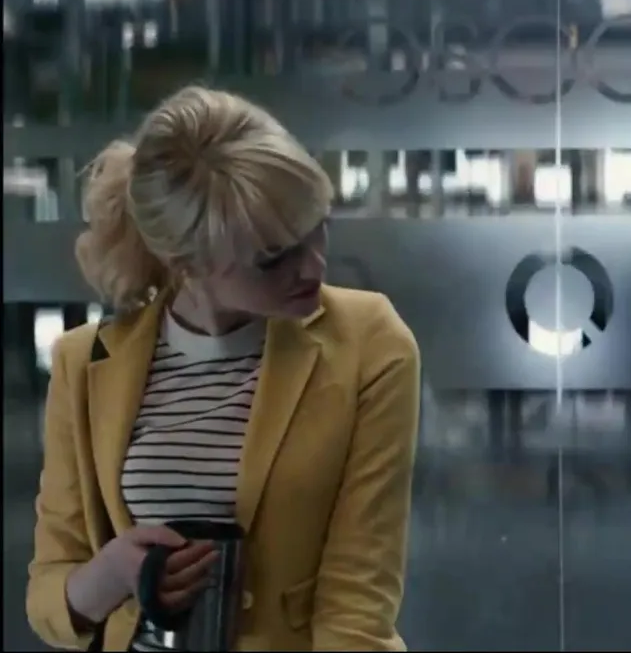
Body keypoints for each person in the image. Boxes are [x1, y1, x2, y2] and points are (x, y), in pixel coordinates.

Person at [26, 86, 422, 651]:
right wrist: (114, 572)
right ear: (187, 263)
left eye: (317, 227)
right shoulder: (85, 363)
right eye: (273, 258)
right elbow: (49, 599)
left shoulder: (368, 343)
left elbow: (357, 599)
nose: (314, 266)